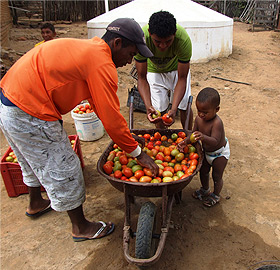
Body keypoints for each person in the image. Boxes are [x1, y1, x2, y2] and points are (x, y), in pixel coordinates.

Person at [0, 18, 158, 241]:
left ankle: (36, 203)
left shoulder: (91, 49)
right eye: (131, 53)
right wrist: (138, 154)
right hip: (29, 108)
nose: (130, 61)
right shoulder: (101, 63)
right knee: (65, 165)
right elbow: (111, 119)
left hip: (9, 99)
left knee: (31, 157)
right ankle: (81, 228)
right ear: (118, 43)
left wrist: (127, 138)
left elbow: (100, 106)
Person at [134, 11, 193, 130]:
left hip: (177, 70)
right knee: (158, 111)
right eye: (157, 41)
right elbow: (141, 78)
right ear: (150, 33)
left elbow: (182, 79)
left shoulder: (183, 40)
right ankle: (162, 137)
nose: (163, 46)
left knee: (184, 106)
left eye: (168, 41)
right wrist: (148, 106)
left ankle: (187, 133)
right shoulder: (142, 40)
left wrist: (174, 109)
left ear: (175, 34)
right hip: (154, 71)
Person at [177, 87, 230, 207]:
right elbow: (193, 135)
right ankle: (205, 189)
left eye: (205, 112)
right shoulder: (198, 119)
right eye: (199, 110)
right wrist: (185, 142)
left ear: (216, 109)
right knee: (203, 171)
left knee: (216, 175)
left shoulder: (217, 123)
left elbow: (215, 141)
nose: (201, 114)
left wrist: (203, 137)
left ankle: (216, 195)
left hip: (219, 153)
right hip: (207, 152)